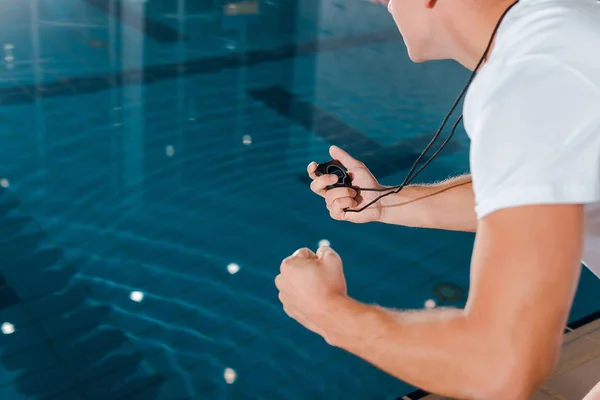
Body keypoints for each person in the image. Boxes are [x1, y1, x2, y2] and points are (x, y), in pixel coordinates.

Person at [274, 0, 600, 398]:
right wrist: (384, 202)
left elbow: (497, 369)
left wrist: (327, 312)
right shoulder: (565, 24)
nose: (385, 10)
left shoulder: (531, 79)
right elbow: (543, 190)